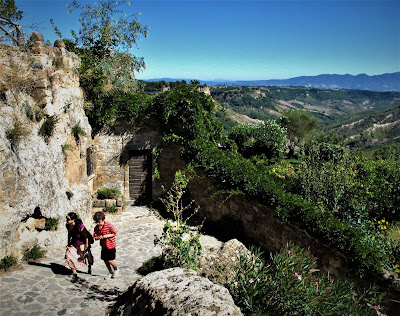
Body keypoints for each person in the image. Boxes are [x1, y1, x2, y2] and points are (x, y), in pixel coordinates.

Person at [65, 212, 93, 279]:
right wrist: (68, 243)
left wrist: (86, 245)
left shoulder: (80, 226)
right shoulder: (68, 226)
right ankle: (74, 272)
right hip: (74, 244)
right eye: (66, 219)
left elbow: (86, 235)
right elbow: (69, 234)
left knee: (86, 257)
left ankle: (89, 266)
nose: (67, 220)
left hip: (82, 244)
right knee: (68, 256)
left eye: (68, 219)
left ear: (73, 219)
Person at [93, 211, 119, 280]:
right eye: (97, 222)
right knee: (105, 260)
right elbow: (95, 237)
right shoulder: (96, 228)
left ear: (103, 220)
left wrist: (106, 236)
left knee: (110, 260)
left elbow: (114, 233)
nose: (98, 224)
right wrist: (98, 237)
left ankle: (115, 269)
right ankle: (110, 272)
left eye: (99, 222)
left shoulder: (109, 225)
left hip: (111, 245)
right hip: (103, 246)